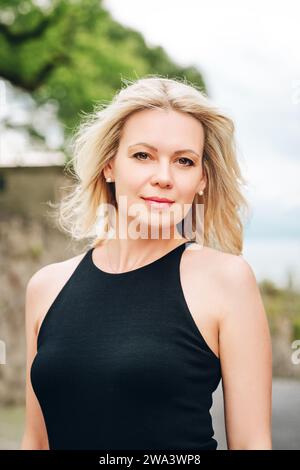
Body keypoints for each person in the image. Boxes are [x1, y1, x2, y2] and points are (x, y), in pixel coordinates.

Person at [20, 76, 272, 450]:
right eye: (143, 156)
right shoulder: (45, 286)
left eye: (184, 161)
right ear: (109, 166)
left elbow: (252, 444)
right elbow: (35, 442)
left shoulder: (227, 281)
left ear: (202, 179)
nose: (163, 178)